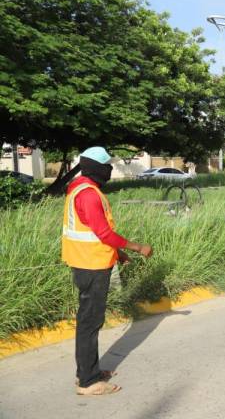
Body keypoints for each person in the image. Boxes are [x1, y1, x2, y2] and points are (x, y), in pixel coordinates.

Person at [61, 147, 153, 395]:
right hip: (91, 265)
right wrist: (137, 247)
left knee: (89, 321)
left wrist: (118, 253)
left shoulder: (80, 188)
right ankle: (89, 382)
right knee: (90, 322)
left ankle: (88, 371)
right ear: (96, 168)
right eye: (107, 166)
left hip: (88, 261)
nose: (110, 170)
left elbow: (94, 233)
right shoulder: (89, 194)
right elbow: (103, 233)